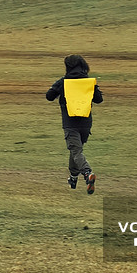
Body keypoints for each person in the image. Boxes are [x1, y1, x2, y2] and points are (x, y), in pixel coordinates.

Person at [45, 54, 103, 194]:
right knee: (75, 151)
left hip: (70, 123)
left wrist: (59, 89)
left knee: (76, 151)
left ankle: (87, 173)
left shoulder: (63, 82)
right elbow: (99, 99)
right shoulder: (89, 82)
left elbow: (49, 96)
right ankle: (73, 177)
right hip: (86, 124)